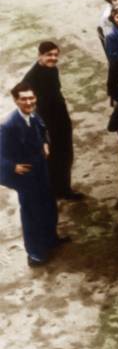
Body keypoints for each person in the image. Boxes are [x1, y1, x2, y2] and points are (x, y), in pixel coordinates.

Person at [1, 83, 61, 266]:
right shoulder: (8, 126)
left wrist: (45, 143)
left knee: (49, 205)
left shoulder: (33, 114)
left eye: (31, 98)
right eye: (24, 99)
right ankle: (35, 253)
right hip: (25, 176)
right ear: (16, 100)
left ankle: (50, 239)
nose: (29, 102)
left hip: (41, 169)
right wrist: (12, 167)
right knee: (32, 213)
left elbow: (42, 130)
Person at [21, 42, 80, 200]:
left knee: (65, 155)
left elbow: (56, 92)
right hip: (45, 124)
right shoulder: (30, 79)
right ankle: (50, 193)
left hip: (60, 119)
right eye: (49, 55)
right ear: (40, 55)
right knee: (49, 159)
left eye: (55, 55)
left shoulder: (53, 69)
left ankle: (64, 190)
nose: (53, 58)